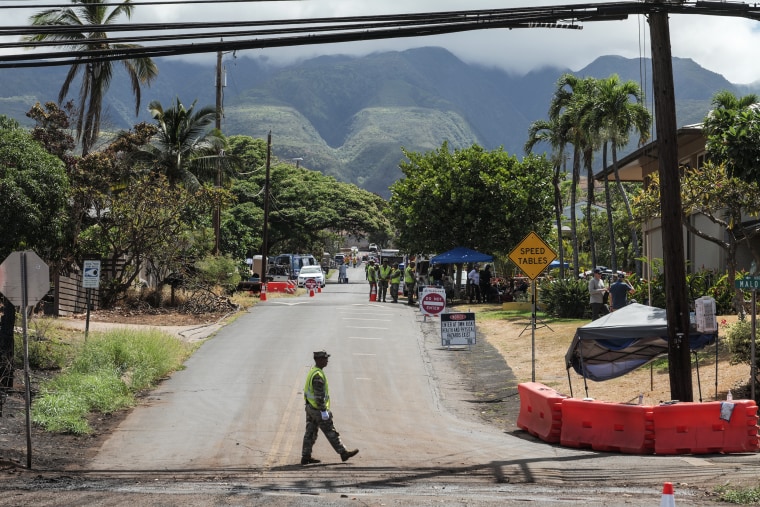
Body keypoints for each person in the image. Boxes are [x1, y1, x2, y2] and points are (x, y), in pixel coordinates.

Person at [301, 350, 359, 465]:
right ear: (318, 360)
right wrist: (323, 411)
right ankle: (343, 453)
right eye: (325, 358)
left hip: (310, 407)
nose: (327, 360)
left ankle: (305, 456)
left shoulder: (314, 371)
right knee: (330, 431)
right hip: (317, 409)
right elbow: (318, 396)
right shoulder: (318, 376)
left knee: (310, 432)